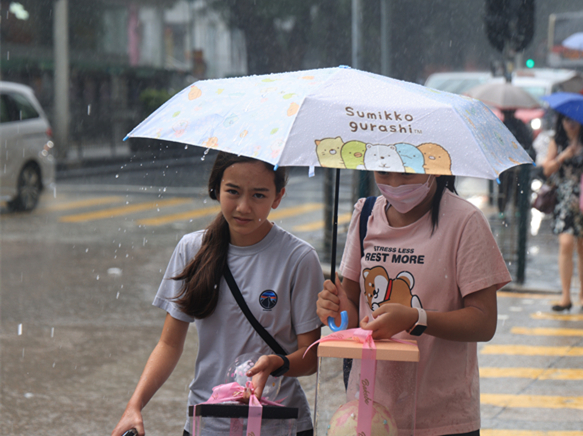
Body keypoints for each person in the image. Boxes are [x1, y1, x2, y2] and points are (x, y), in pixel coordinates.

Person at [111, 152, 324, 436]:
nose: (243, 207)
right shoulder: (192, 250)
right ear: (216, 188)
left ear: (278, 196)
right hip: (208, 422)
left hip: (280, 423)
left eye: (259, 195)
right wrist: (134, 406)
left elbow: (310, 359)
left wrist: (278, 363)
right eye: (232, 192)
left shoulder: (299, 258)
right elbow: (169, 345)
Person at [316, 171, 510, 436]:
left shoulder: (465, 221)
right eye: (384, 171)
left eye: (407, 173)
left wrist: (415, 318)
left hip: (442, 421)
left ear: (435, 164)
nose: (394, 184)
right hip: (368, 416)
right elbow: (351, 309)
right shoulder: (365, 214)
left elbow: (483, 321)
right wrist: (333, 307)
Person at [542, 115, 583, 312]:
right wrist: (562, 157)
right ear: (561, 122)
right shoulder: (558, 142)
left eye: (574, 120)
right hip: (564, 199)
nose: (571, 123)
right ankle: (566, 296)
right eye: (566, 120)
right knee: (566, 243)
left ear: (581, 122)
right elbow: (547, 169)